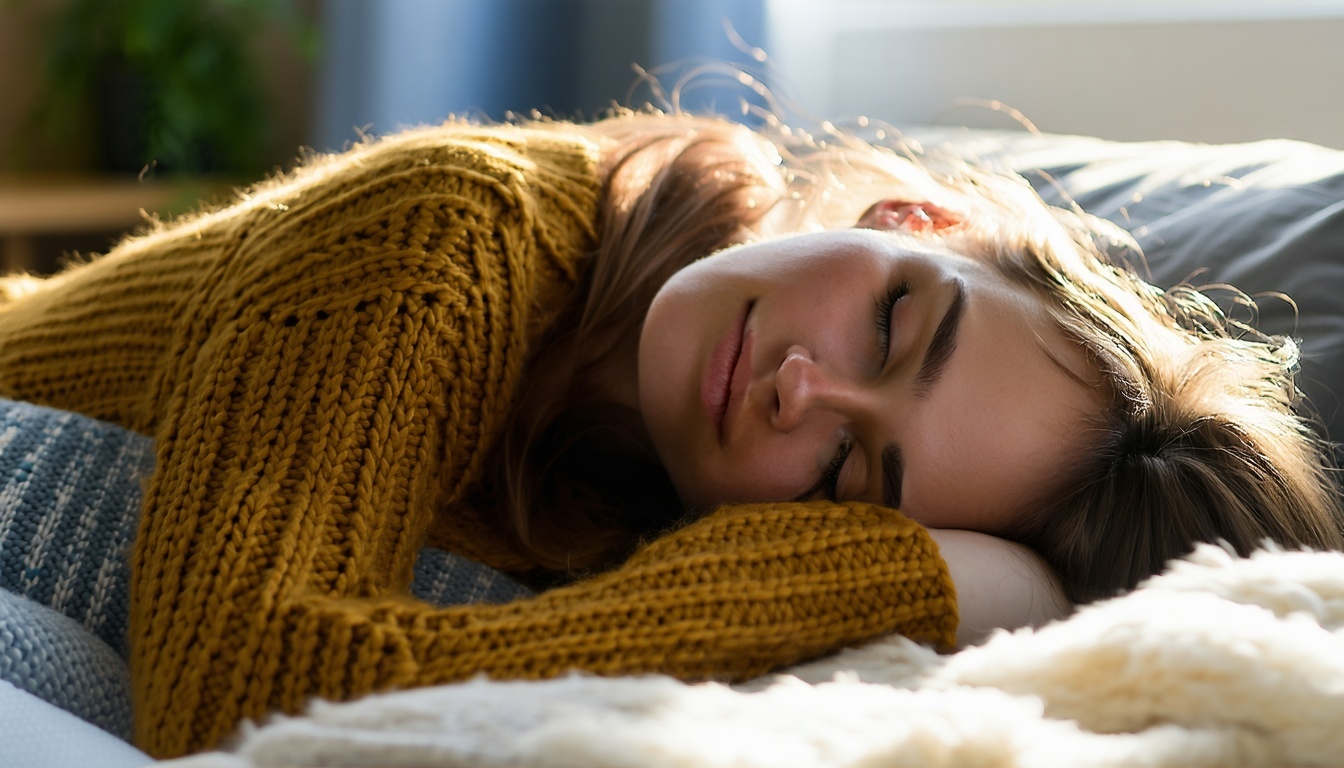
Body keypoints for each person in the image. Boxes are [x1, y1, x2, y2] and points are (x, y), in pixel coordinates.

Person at [0, 109, 1337, 759]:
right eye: (892, 327)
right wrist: (886, 568)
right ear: (914, 224)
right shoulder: (446, 232)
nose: (802, 393)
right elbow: (242, 689)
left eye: (848, 477)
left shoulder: (656, 511)